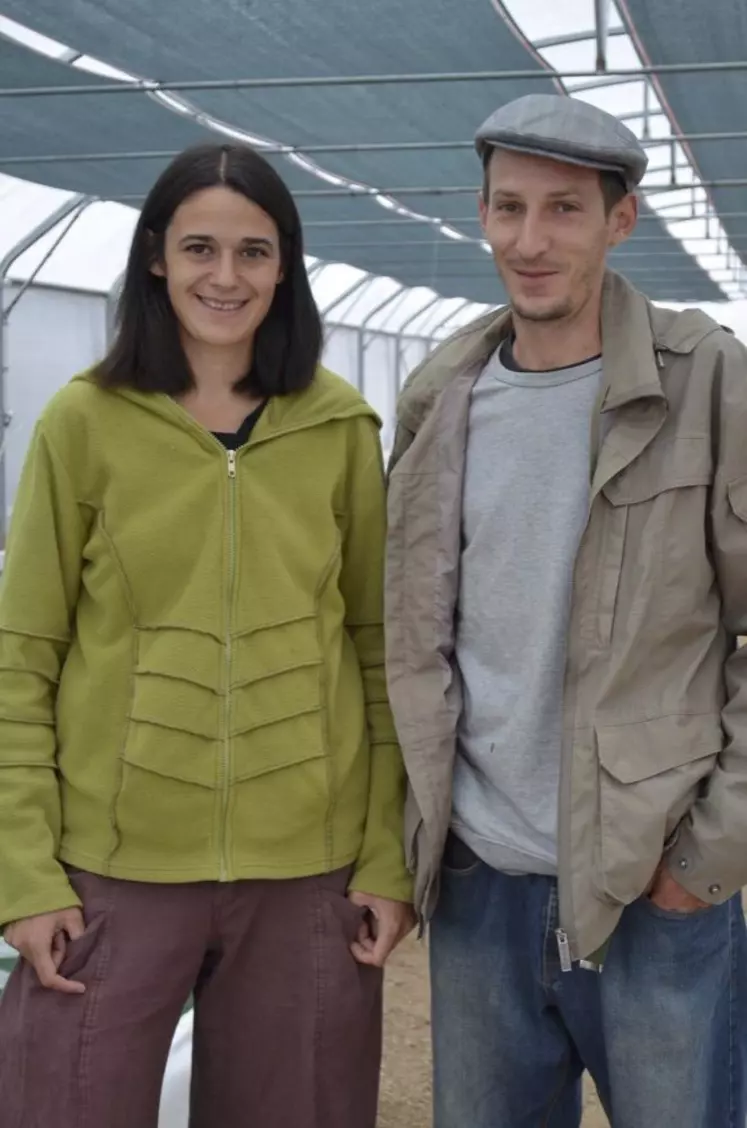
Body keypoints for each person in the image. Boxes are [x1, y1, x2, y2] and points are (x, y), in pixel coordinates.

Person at [0, 142, 414, 1128]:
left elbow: (377, 649)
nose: (225, 278)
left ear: (286, 266)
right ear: (155, 258)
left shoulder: (339, 427)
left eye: (254, 253)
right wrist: (24, 873)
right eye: (199, 248)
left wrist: (385, 859)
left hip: (306, 875)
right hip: (112, 869)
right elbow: (23, 656)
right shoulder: (85, 422)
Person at [385, 92, 747, 1128]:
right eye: (508, 209)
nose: (529, 242)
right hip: (479, 884)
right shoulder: (442, 392)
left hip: (652, 886)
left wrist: (704, 862)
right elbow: (416, 638)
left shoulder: (706, 380)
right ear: (483, 213)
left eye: (563, 210)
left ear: (620, 219)